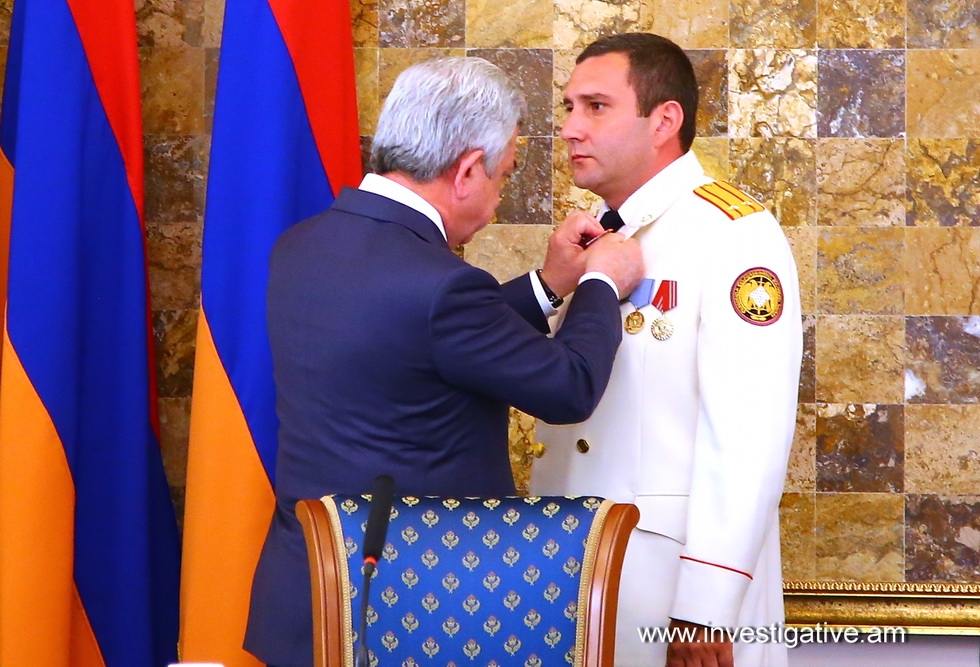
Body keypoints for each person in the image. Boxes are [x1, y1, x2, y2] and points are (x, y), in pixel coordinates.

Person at [243, 56, 645, 666]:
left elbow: (415, 341)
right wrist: (600, 283)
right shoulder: (440, 285)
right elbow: (570, 387)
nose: (497, 201)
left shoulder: (301, 246)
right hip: (411, 608)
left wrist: (549, 284)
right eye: (502, 177)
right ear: (465, 171)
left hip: (305, 599)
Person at [530, 33, 802, 667]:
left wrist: (706, 608)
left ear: (664, 121)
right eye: (569, 107)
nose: (570, 128)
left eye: (596, 107)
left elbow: (748, 437)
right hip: (578, 574)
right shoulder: (592, 237)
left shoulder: (733, 234)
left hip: (671, 590)